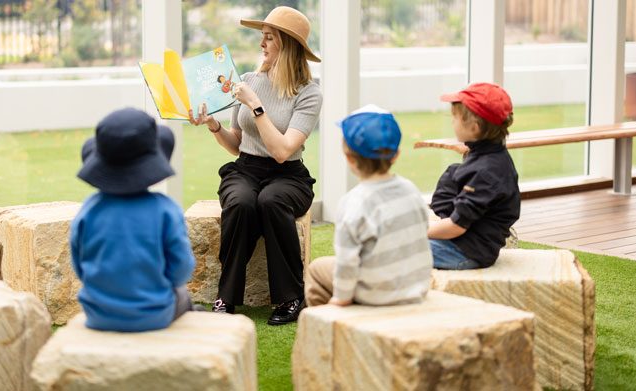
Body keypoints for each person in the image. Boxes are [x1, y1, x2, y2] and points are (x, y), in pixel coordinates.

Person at [188, 6, 322, 325]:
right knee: (241, 202)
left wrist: (256, 106)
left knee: (271, 200)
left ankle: (291, 298)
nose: (262, 44)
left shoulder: (309, 93)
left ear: (287, 45)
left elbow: (282, 151)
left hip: (287, 174)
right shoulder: (249, 80)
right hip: (246, 169)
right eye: (262, 37)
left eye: (269, 38)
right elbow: (236, 143)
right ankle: (226, 296)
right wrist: (213, 125)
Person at [70, 107, 197, 332]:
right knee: (184, 297)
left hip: (96, 314)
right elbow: (181, 269)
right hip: (154, 315)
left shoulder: (88, 210)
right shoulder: (166, 210)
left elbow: (80, 267)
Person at [305, 105, 432, 307]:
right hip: (417, 288)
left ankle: (329, 321)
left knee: (317, 269)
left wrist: (341, 298)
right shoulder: (411, 190)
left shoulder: (353, 203)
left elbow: (347, 261)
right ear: (396, 155)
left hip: (374, 294)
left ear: (349, 158)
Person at [428, 83, 521, 270]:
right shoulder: (489, 155)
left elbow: (457, 227)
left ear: (475, 128)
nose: (451, 122)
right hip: (465, 238)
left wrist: (417, 233)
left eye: (454, 118)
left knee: (396, 249)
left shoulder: (486, 172)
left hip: (466, 251)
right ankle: (441, 224)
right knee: (454, 171)